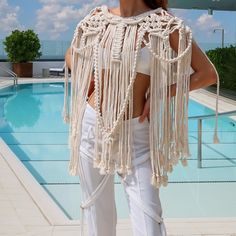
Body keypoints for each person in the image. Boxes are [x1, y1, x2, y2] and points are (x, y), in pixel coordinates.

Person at [64, 0, 219, 235]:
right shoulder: (96, 19)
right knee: (97, 216)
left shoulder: (164, 25)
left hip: (136, 136)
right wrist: (87, 75)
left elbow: (207, 74)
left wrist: (164, 92)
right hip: (91, 127)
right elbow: (70, 55)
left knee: (149, 221)